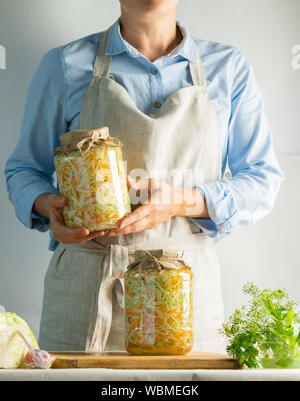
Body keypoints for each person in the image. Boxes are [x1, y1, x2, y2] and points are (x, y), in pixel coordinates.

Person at [5, 0, 284, 352]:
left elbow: (262, 179)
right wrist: (49, 206)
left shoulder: (228, 68)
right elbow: (24, 169)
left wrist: (181, 201)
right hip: (85, 293)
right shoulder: (64, 65)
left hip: (186, 296)